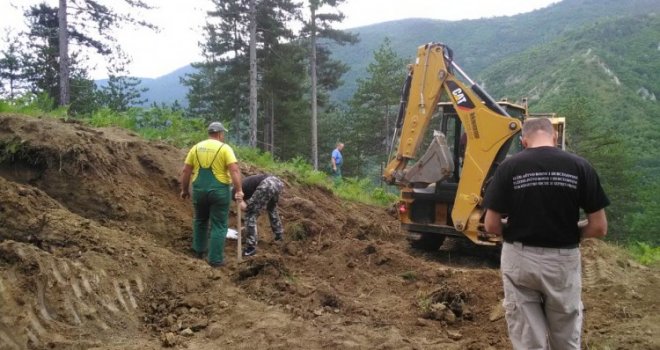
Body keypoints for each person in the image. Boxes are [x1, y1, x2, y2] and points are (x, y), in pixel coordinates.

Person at [483, 117, 609, 350]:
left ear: (523, 141)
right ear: (555, 137)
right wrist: (574, 232)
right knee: (566, 337)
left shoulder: (509, 168)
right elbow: (599, 227)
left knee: (528, 340)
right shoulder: (580, 167)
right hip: (562, 261)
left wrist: (511, 230)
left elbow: (490, 225)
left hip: (519, 259)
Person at [180, 121, 243, 268]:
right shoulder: (224, 148)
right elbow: (234, 171)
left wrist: (184, 190)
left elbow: (186, 171)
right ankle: (215, 259)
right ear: (220, 134)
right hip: (219, 191)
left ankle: (198, 251)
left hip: (199, 191)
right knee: (219, 225)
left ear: (209, 133)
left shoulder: (195, 148)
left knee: (200, 220)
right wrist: (239, 189)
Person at [233, 174, 284, 257]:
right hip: (277, 182)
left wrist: (249, 212)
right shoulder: (242, 186)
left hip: (266, 184)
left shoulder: (235, 193)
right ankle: (279, 236)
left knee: (250, 214)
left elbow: (245, 208)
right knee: (272, 209)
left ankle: (251, 247)